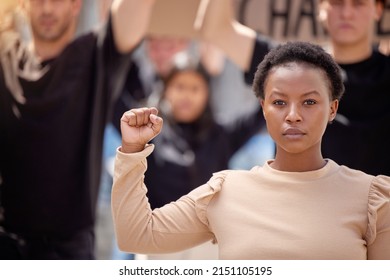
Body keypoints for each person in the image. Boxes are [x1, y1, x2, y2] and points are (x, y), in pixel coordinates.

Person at [112, 41, 390, 259]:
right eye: (279, 102)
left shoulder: (372, 199)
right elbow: (136, 235)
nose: (293, 115)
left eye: (309, 102)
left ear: (332, 109)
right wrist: (132, 151)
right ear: (263, 109)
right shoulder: (224, 193)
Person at [0, 0, 155, 259]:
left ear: (75, 6)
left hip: (67, 252)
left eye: (57, 1)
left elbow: (134, 9)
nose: (47, 9)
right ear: (25, 5)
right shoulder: (6, 56)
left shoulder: (95, 56)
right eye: (38, 1)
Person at [199, 0, 390, 177]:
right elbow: (216, 29)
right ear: (320, 8)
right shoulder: (288, 66)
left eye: (358, 3)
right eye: (337, 2)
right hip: (297, 206)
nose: (347, 13)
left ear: (378, 9)